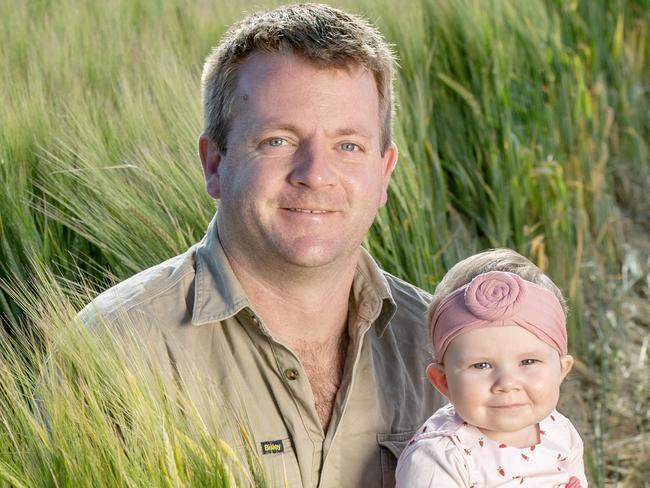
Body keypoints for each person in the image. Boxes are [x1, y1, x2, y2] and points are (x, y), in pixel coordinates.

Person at [79, 3, 443, 487]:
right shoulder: (116, 348)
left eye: (348, 146)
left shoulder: (447, 346)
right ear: (214, 164)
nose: (314, 173)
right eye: (277, 141)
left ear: (385, 173)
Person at [395, 249, 588, 487]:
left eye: (528, 362)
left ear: (561, 370)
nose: (507, 383)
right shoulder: (440, 458)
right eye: (481, 365)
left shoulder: (559, 430)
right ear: (443, 381)